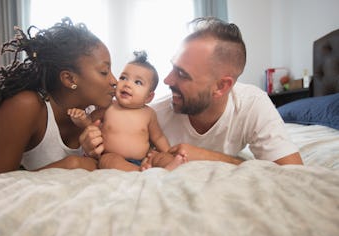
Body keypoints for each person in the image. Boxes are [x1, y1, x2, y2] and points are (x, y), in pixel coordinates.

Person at [80, 17, 303, 169]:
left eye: (182, 74)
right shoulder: (154, 113)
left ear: (221, 86)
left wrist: (209, 157)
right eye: (172, 67)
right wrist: (92, 145)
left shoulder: (252, 104)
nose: (167, 80)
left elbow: (293, 174)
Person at [0, 17, 118, 175]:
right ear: (69, 79)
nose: (114, 81)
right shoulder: (25, 106)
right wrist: (70, 165)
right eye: (104, 72)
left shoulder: (101, 110)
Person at [68, 51, 187, 171]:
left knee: (161, 158)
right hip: (112, 156)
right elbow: (90, 123)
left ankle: (173, 166)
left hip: (143, 159)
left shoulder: (148, 113)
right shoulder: (109, 107)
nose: (127, 84)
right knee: (107, 161)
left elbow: (158, 137)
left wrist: (168, 153)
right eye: (123, 78)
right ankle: (139, 174)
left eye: (138, 82)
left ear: (148, 97)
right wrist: (81, 119)